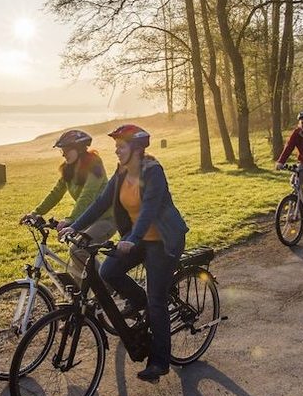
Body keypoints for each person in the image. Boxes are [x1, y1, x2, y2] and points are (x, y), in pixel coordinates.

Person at [59, 124, 188, 383]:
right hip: (137, 239)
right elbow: (101, 203)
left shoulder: (153, 172)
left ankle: (159, 362)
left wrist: (131, 239)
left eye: (121, 146)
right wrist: (75, 225)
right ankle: (142, 303)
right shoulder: (121, 172)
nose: (116, 151)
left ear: (137, 149)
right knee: (108, 271)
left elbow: (149, 209)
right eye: (116, 147)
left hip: (163, 241)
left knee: (157, 299)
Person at [21, 129, 116, 283]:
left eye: (66, 150)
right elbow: (56, 193)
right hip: (87, 219)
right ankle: (84, 297)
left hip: (106, 219)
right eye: (62, 150)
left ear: (79, 149)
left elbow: (88, 196)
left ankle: (109, 288)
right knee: (76, 263)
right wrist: (35, 213)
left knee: (78, 250)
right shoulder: (68, 168)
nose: (63, 154)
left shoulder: (94, 164)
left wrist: (71, 220)